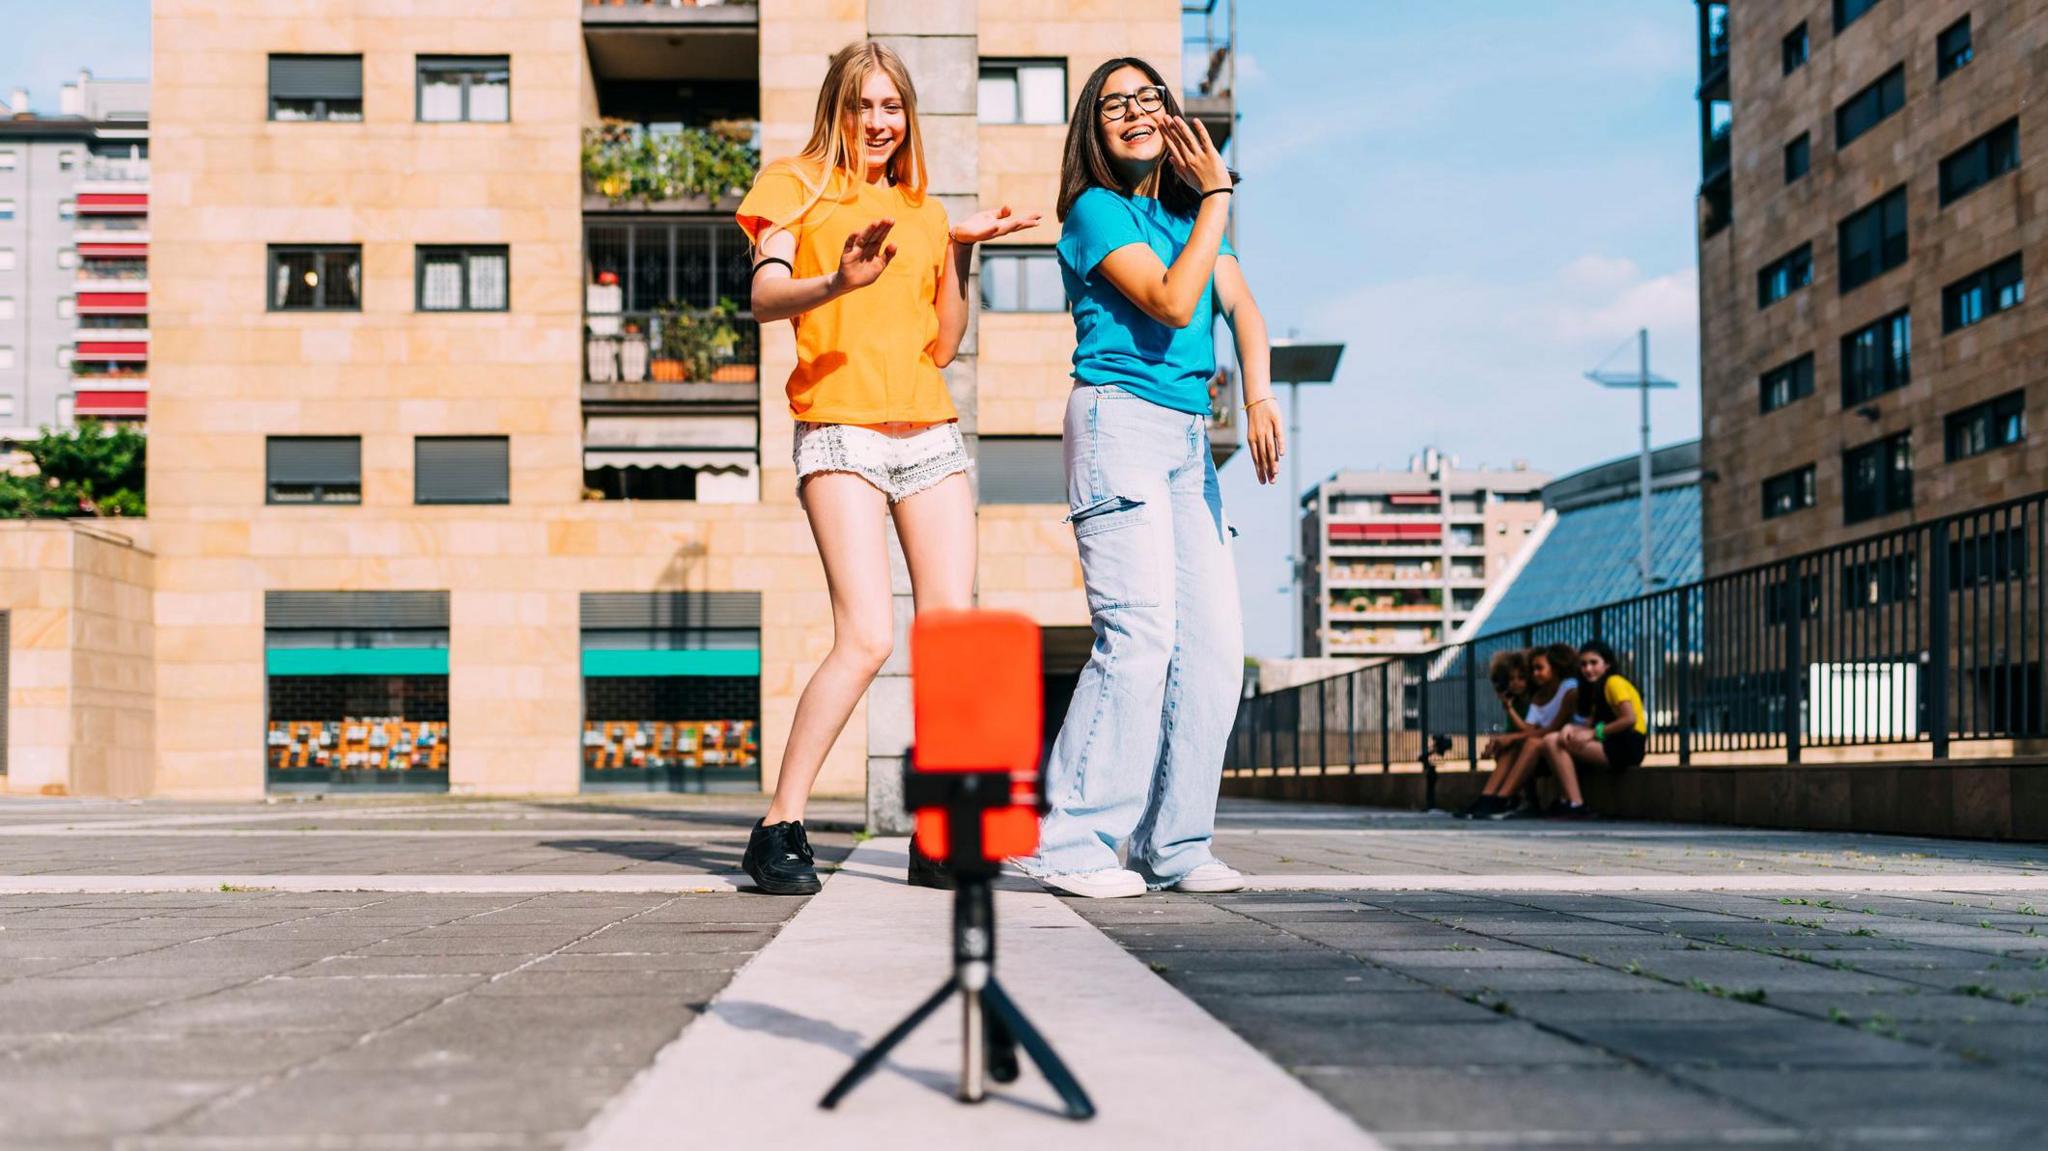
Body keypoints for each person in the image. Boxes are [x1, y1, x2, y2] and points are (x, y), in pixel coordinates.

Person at [734, 41, 1041, 894]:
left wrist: (962, 251)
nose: (880, 122)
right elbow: (763, 298)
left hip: (928, 432)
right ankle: (778, 826)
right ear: (839, 106)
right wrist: (839, 281)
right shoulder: (790, 185)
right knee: (867, 634)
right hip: (840, 430)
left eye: (894, 107)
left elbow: (944, 343)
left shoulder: (925, 208)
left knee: (952, 634)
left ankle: (942, 833)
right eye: (866, 105)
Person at [1017, 57, 1284, 900]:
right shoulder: (1096, 212)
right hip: (1115, 423)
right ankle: (1069, 843)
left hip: (1185, 442)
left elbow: (1242, 307)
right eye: (1112, 105)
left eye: (1147, 98)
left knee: (1211, 652)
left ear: (1171, 115)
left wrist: (1264, 392)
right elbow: (1173, 302)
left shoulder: (1188, 215)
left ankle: (1174, 844)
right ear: (1093, 133)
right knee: (1138, 638)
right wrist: (1217, 199)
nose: (1133, 112)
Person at [1471, 643, 1581, 820]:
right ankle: (1489, 798)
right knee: (1514, 746)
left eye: (1540, 668)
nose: (1535, 673)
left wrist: (1512, 736)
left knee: (1530, 743)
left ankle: (1503, 798)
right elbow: (1529, 729)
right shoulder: (1538, 697)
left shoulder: (1569, 689)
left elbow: (1552, 728)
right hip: (1548, 747)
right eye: (1533, 669)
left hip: (1562, 745)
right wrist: (1507, 737)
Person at [1539, 640, 1646, 819]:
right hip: (1610, 742)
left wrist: (1594, 733)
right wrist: (1570, 727)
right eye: (1583, 664)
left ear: (1607, 664)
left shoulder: (1614, 682)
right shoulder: (1596, 688)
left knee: (1554, 741)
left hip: (1627, 745)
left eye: (1593, 663)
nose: (1588, 669)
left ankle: (1575, 803)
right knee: (1550, 740)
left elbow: (1629, 719)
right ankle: (1568, 800)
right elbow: (1589, 724)